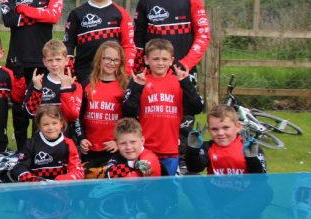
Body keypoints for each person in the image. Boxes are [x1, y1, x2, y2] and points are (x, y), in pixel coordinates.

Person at [134, 0, 210, 169]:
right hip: (153, 74)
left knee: (184, 118)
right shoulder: (146, 1)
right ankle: (151, 164)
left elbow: (203, 36)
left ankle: (185, 166)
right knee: (154, 116)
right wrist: (140, 69)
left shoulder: (192, 0)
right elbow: (138, 40)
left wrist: (185, 65)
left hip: (182, 72)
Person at [1, 0, 64, 151]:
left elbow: (53, 16)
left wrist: (23, 9)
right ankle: (21, 151)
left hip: (43, 59)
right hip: (18, 58)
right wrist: (39, 15)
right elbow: (8, 19)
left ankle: (41, 151)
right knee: (19, 109)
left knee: (43, 108)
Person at [183, 105, 273, 219]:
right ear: (210, 130)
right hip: (217, 199)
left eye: (226, 128)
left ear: (237, 127)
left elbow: (261, 179)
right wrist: (193, 150)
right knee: (190, 177)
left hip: (242, 203)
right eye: (215, 129)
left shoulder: (249, 147)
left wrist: (251, 158)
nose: (220, 133)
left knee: (265, 189)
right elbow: (195, 168)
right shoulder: (208, 146)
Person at [121, 38, 205, 177]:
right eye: (156, 59)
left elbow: (196, 108)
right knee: (146, 187)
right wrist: (137, 88)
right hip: (145, 149)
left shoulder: (179, 80)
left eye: (165, 59)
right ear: (146, 60)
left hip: (170, 149)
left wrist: (186, 84)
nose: (160, 63)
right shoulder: (140, 80)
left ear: (172, 61)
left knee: (169, 190)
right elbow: (128, 111)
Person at [62, 0, 135, 85]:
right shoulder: (77, 13)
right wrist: (68, 70)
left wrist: (125, 72)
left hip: (112, 72)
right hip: (84, 71)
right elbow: (68, 44)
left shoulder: (120, 13)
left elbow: (128, 45)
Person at [104, 118, 177, 219]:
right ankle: (130, 211)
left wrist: (129, 168)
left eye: (133, 142)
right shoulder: (116, 158)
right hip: (136, 195)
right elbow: (109, 174)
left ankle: (130, 210)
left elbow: (146, 172)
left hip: (162, 197)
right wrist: (133, 164)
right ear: (117, 144)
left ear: (142, 141)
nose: (129, 147)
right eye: (123, 143)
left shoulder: (149, 156)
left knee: (153, 200)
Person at [75, 41, 129, 173]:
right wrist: (81, 138)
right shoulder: (87, 85)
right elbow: (78, 116)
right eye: (108, 59)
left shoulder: (124, 86)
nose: (112, 63)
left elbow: (129, 120)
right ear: (99, 59)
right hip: (90, 148)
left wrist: (118, 141)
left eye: (116, 60)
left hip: (112, 148)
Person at [22, 40, 82, 139]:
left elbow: (72, 116)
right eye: (50, 60)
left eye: (58, 59)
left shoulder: (74, 85)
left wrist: (66, 89)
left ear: (67, 60)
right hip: (40, 140)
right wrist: (37, 90)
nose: (54, 64)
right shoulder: (37, 82)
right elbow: (29, 113)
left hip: (66, 139)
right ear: (44, 62)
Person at [11, 105, 84, 182]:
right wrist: (33, 180)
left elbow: (78, 171)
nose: (51, 127)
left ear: (61, 124)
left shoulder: (68, 144)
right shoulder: (31, 144)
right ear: (39, 126)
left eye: (55, 123)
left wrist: (58, 181)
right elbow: (19, 168)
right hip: (36, 189)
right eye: (46, 124)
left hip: (62, 189)